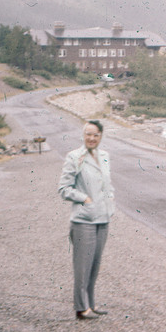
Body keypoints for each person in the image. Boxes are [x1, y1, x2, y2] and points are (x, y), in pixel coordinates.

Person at [58, 120, 116, 320]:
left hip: (103, 218)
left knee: (95, 264)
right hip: (83, 220)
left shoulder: (105, 156)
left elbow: (107, 185)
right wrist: (85, 199)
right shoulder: (74, 157)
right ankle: (81, 308)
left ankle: (91, 303)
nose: (92, 138)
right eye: (88, 134)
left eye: (96, 135)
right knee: (83, 266)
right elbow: (64, 189)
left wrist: (110, 202)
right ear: (83, 135)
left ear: (101, 136)